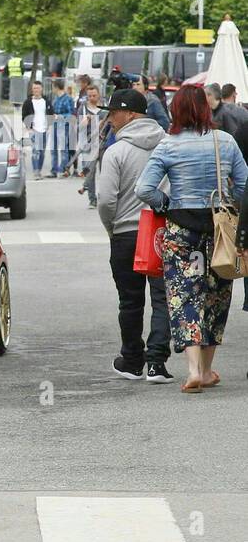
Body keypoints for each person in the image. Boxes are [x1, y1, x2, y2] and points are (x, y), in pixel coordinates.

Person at [135, 85, 248, 392]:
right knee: (216, 295)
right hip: (218, 229)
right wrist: (230, 202)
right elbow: (244, 184)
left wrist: (166, 204)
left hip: (181, 230)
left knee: (183, 296)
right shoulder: (224, 141)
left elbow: (144, 189)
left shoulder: (168, 145)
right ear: (205, 109)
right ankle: (209, 369)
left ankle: (193, 369)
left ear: (176, 111)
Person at [94, 88, 172, 383]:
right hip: (161, 232)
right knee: (163, 297)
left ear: (131, 114)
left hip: (126, 232)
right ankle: (157, 362)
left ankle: (131, 359)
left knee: (130, 301)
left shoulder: (116, 151)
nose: (110, 119)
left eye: (113, 113)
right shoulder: (167, 146)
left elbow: (105, 201)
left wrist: (111, 228)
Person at [77, 85, 107, 207]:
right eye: (89, 96)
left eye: (94, 95)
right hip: (89, 145)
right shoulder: (82, 109)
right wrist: (83, 124)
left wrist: (103, 122)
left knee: (105, 173)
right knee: (90, 172)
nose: (92, 98)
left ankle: (104, 198)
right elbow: (78, 128)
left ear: (99, 94)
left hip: (104, 145)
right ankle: (92, 199)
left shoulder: (105, 108)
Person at [204, 83, 248, 161]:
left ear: (210, 95)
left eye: (205, 95)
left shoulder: (225, 112)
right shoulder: (212, 112)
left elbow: (232, 135)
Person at [21, 80, 50, 179]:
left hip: (45, 129)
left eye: (37, 88)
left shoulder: (46, 101)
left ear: (41, 89)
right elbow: (24, 115)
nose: (36, 90)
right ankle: (35, 171)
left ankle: (39, 170)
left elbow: (51, 112)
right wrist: (28, 127)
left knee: (42, 151)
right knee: (36, 150)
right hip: (34, 130)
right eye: (34, 88)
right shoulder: (28, 102)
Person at [50, 79, 74, 176]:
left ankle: (63, 169)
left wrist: (61, 116)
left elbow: (71, 114)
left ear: (56, 87)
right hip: (54, 124)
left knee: (63, 149)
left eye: (53, 87)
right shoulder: (55, 99)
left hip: (63, 125)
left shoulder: (68, 99)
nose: (52, 89)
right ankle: (54, 170)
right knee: (53, 148)